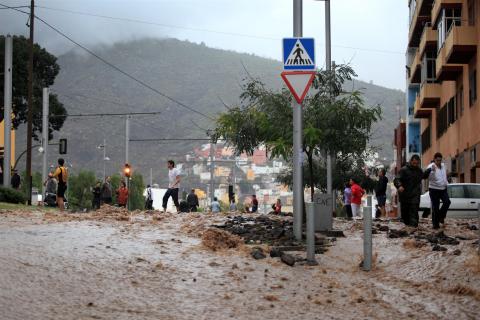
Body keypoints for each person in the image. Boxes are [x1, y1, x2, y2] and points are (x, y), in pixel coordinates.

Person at [394, 154, 431, 227]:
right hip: (405, 196)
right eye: (414, 163)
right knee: (405, 216)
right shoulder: (404, 170)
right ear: (411, 161)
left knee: (414, 214)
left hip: (415, 196)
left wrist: (429, 170)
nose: (415, 165)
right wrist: (399, 186)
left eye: (417, 164)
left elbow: (423, 176)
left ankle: (413, 230)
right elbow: (397, 179)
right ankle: (407, 228)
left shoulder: (419, 170)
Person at [427, 152, 451, 229]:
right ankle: (435, 225)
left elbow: (444, 176)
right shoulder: (431, 167)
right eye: (437, 160)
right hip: (434, 189)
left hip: (443, 189)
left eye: (440, 160)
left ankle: (441, 216)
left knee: (447, 202)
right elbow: (430, 178)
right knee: (435, 207)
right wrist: (432, 171)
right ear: (434, 160)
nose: (439, 162)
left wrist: (446, 183)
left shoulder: (443, 166)